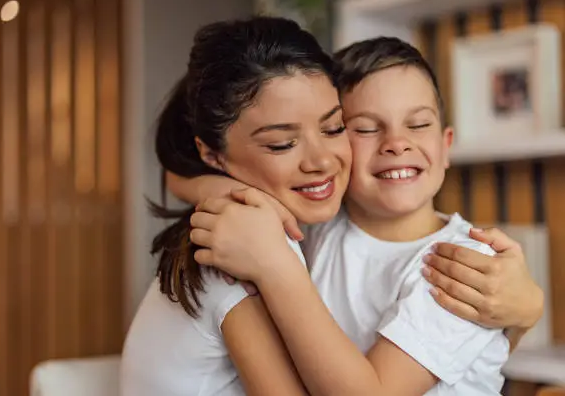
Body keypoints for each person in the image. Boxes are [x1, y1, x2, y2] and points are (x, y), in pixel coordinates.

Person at [177, 37, 544, 395]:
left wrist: (275, 267)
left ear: (446, 146)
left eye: (417, 125)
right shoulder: (317, 226)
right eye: (365, 128)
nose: (397, 143)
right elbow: (178, 176)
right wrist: (217, 190)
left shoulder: (466, 266)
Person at [121, 16, 350, 396]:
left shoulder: (237, 219)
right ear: (211, 155)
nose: (322, 161)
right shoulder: (241, 247)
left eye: (334, 128)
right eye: (281, 144)